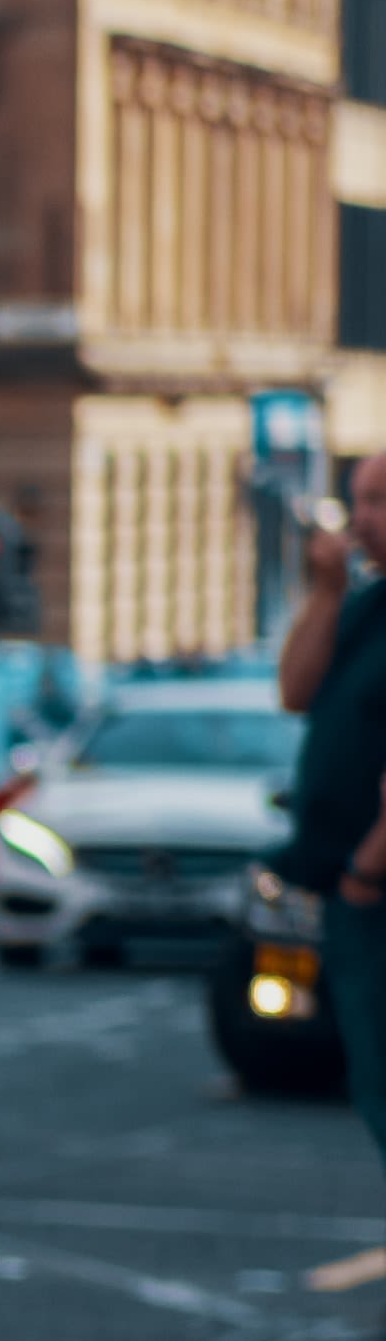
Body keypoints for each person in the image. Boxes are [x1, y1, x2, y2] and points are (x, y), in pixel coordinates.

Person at [279, 450, 386, 1193]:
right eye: (357, 503)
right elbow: (295, 688)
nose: (360, 522)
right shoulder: (365, 605)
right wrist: (325, 590)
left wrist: (365, 873)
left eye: (378, 502)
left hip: (374, 892)